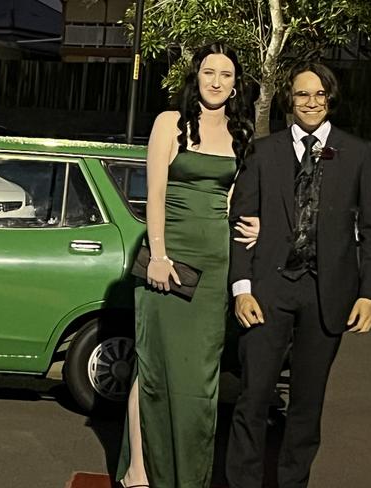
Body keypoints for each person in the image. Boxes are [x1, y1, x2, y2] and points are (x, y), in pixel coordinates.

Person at [226, 62, 371, 488]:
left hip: (327, 294)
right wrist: (242, 289)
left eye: (319, 95)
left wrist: (369, 294)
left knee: (306, 407)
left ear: (330, 99)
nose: (311, 102)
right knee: (253, 399)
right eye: (302, 94)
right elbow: (241, 226)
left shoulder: (358, 153)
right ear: (289, 101)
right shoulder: (264, 152)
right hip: (268, 289)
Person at [117, 43, 256, 488]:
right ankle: (138, 468)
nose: (216, 81)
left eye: (226, 75)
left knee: (199, 375)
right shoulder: (169, 123)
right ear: (195, 76)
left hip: (215, 264)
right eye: (209, 72)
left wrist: (252, 227)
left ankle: (188, 475)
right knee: (153, 364)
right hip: (168, 259)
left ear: (235, 85)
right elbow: (152, 194)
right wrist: (158, 256)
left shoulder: (242, 134)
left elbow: (233, 202)